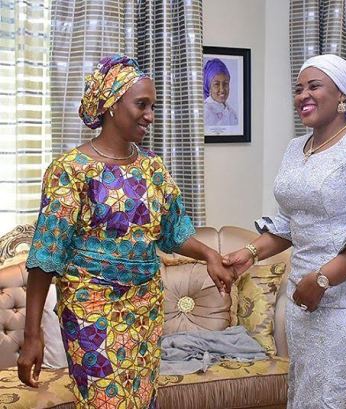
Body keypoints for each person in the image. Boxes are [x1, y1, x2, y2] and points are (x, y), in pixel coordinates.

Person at [18, 54, 235, 409]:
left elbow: (174, 233)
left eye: (153, 106)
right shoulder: (70, 170)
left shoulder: (153, 168)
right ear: (111, 104)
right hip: (90, 310)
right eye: (142, 104)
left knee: (142, 400)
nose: (150, 115)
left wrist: (210, 254)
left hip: (146, 306)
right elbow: (46, 255)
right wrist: (32, 335)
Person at [223, 54, 346, 408]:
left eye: (314, 86)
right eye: (299, 89)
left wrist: (323, 279)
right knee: (307, 395)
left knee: (339, 397)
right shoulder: (294, 148)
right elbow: (290, 221)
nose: (303, 95)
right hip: (305, 297)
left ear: (342, 95)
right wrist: (248, 253)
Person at [203, 58, 238, 126]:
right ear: (209, 87)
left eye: (225, 83)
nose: (222, 90)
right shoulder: (205, 112)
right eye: (216, 84)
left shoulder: (232, 112)